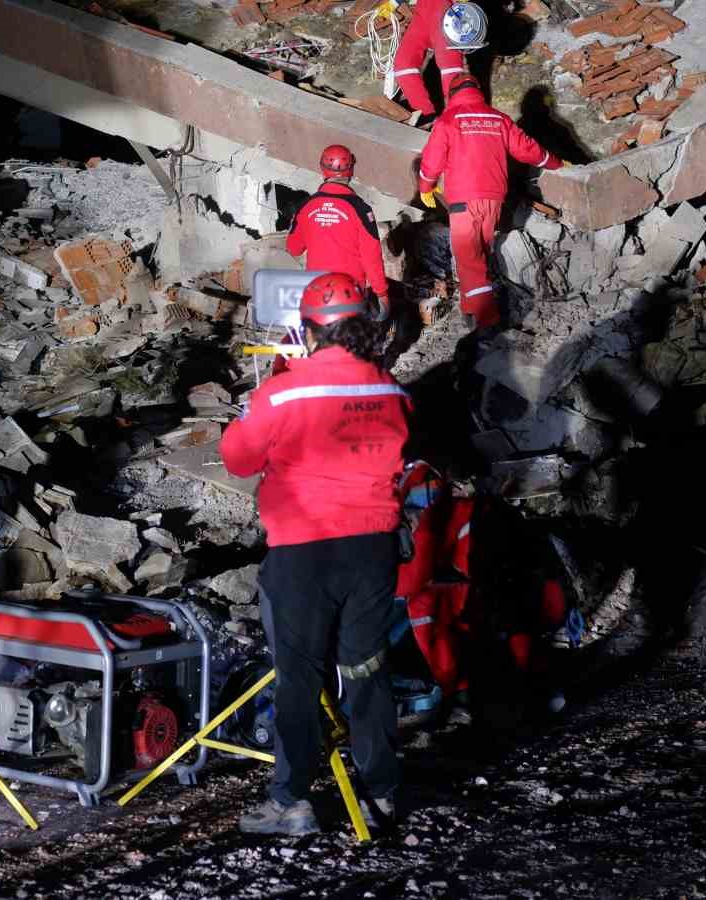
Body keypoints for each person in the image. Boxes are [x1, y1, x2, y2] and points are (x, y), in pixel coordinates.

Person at [221, 272, 412, 835]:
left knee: (299, 678)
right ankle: (382, 793)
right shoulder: (391, 390)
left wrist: (268, 394)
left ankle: (292, 802)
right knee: (367, 671)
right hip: (372, 552)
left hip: (303, 553)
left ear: (309, 329)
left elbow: (236, 458)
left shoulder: (284, 390)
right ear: (364, 328)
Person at [418, 74, 564, 329]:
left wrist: (425, 187)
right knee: (480, 254)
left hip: (464, 200)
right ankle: (469, 309)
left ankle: (486, 319)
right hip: (494, 199)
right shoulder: (498, 118)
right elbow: (528, 149)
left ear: (452, 95)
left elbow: (432, 160)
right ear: (478, 92)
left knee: (468, 259)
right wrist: (556, 163)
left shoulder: (449, 120)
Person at [286, 144, 391, 319]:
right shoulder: (360, 209)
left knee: (321, 342)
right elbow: (371, 256)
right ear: (351, 170)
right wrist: (382, 293)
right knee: (349, 341)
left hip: (317, 291)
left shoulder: (306, 207)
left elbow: (293, 248)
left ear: (322, 169)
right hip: (350, 294)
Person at [392, 0, 488, 120]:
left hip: (444, 9)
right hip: (422, 13)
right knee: (404, 65)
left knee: (449, 67)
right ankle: (426, 116)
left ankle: (457, 119)